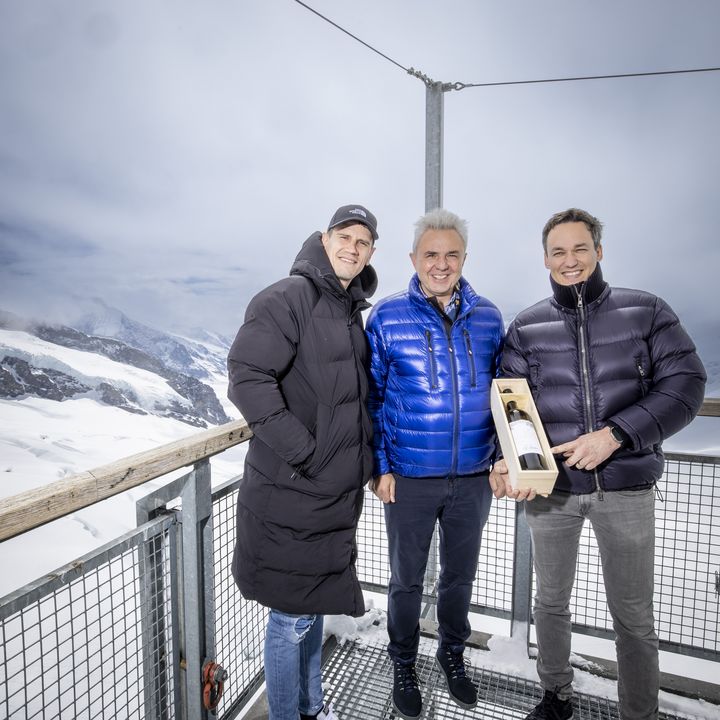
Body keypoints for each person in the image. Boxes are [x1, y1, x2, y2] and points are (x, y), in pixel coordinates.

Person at [491, 208, 706, 720]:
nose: (570, 260)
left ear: (599, 251)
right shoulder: (525, 328)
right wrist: (506, 459)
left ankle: (639, 712)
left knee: (632, 616)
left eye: (580, 248)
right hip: (554, 491)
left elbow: (687, 384)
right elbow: (512, 406)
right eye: (559, 251)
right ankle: (555, 696)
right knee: (550, 602)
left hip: (626, 488)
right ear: (545, 258)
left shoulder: (647, 311)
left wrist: (615, 435)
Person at [227, 204, 379, 720]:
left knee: (309, 612)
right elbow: (248, 377)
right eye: (345, 236)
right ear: (323, 238)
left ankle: (311, 708)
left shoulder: (346, 310)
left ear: (371, 253)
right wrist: (306, 454)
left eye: (363, 241)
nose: (353, 248)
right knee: (291, 617)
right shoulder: (288, 297)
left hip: (326, 498)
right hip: (293, 493)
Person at [366, 208, 504, 720]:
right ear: (413, 259)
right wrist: (380, 467)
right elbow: (372, 398)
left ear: (464, 257)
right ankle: (402, 657)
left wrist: (501, 459)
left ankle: (452, 652)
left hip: (472, 478)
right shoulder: (387, 316)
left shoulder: (488, 317)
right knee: (405, 579)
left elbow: (505, 397)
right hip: (409, 478)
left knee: (458, 578)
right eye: (431, 254)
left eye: (451, 254)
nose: (441, 265)